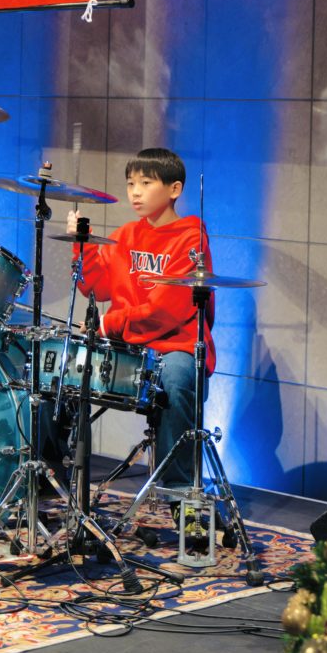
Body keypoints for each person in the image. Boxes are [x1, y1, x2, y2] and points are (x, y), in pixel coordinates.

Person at [65, 146, 215, 493]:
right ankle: (55, 475)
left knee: (176, 377)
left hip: (175, 346)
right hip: (128, 344)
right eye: (131, 183)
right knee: (60, 366)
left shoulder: (191, 238)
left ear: (174, 189)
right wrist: (82, 245)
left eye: (146, 183)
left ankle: (180, 491)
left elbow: (166, 310)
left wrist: (108, 325)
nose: (135, 192)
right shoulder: (125, 235)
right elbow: (95, 288)